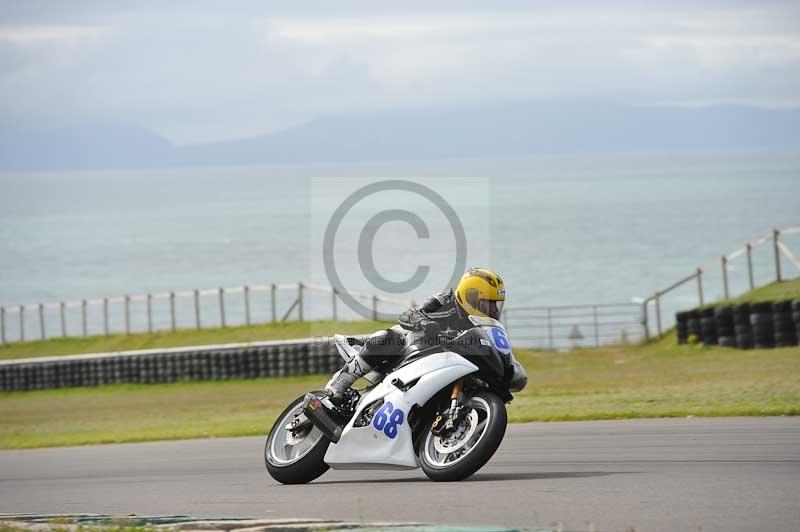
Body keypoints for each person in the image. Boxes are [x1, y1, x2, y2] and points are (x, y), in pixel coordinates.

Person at [325, 267, 527, 401]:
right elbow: (409, 315)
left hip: (449, 363)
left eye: (495, 306)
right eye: (487, 304)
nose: (491, 310)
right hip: (419, 347)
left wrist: (511, 368)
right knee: (390, 336)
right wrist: (425, 323)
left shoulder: (485, 326)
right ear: (470, 296)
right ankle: (339, 385)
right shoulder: (445, 300)